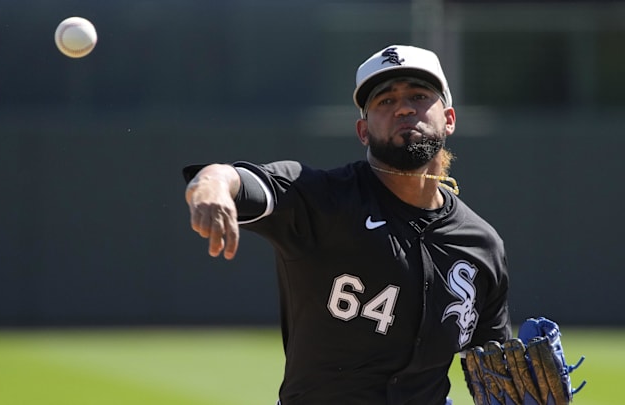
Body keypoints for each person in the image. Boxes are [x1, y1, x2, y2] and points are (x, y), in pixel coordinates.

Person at [183, 44, 512, 405]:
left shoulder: (480, 244)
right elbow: (233, 178)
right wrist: (210, 186)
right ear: (363, 130)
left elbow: (495, 372)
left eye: (419, 96)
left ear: (449, 117)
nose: (403, 107)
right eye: (385, 101)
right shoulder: (323, 199)